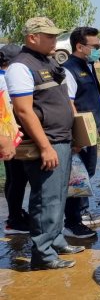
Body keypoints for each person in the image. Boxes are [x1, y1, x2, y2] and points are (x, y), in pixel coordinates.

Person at [6, 17, 83, 269]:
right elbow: (24, 111)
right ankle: (43, 254)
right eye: (49, 36)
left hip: (62, 138)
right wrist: (45, 147)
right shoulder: (21, 66)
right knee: (45, 200)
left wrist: (76, 135)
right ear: (32, 38)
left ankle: (56, 240)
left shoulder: (47, 61)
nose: (55, 40)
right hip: (46, 143)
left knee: (59, 196)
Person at [62, 27, 100, 239]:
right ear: (80, 46)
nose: (98, 50)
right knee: (75, 178)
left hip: (91, 133)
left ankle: (81, 213)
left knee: (86, 174)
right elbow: (70, 104)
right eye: (95, 47)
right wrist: (79, 137)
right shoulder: (69, 69)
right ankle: (72, 222)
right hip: (81, 136)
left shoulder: (87, 65)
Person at [0, 44, 27, 235]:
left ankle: (15, 214)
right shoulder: (5, 80)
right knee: (18, 178)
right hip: (10, 136)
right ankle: (14, 221)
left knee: (13, 178)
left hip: (8, 135)